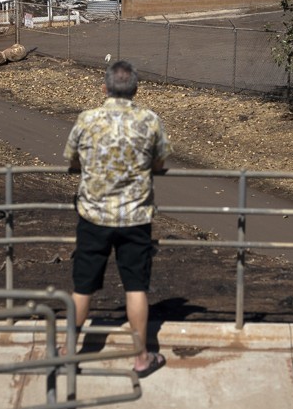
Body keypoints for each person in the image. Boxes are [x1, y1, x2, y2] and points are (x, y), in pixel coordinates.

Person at [65, 60, 170, 378]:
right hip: (135, 218)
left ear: (105, 88)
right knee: (135, 287)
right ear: (135, 89)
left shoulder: (88, 119)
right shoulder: (150, 120)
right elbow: (160, 162)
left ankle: (69, 354)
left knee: (82, 288)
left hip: (94, 216)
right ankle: (141, 359)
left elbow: (71, 159)